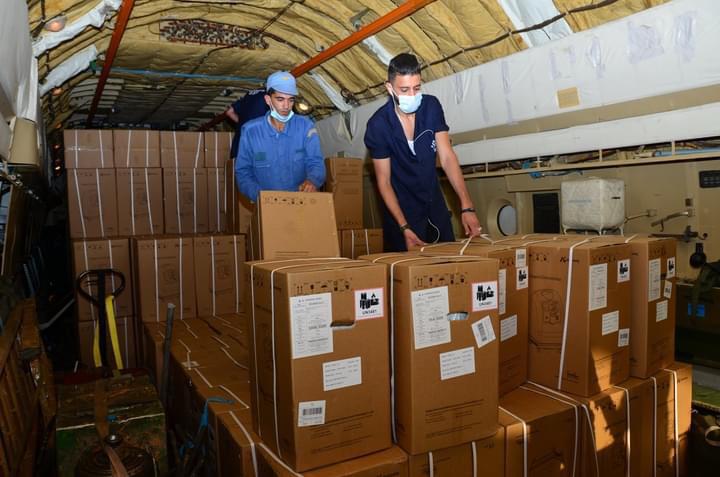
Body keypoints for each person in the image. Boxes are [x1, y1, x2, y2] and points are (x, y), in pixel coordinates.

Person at [364, 53, 482, 251]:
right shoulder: (378, 126)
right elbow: (384, 182)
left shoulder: (431, 107)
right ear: (389, 88)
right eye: (404, 90)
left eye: (416, 88)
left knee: (447, 261)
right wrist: (404, 226)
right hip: (401, 213)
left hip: (434, 205)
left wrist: (467, 206)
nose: (412, 96)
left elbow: (447, 158)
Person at [235, 71, 325, 202]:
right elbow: (243, 172)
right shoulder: (251, 131)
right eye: (280, 99)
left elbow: (316, 162)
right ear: (268, 100)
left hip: (300, 202)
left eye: (291, 100)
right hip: (267, 205)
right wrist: (260, 196)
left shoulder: (306, 127)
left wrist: (312, 181)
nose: (286, 106)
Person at [226, 89, 269, 160]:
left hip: (239, 145)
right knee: (261, 163)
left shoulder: (248, 94)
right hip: (257, 144)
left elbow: (229, 112)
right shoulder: (271, 96)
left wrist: (243, 124)